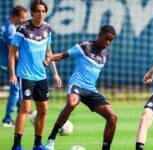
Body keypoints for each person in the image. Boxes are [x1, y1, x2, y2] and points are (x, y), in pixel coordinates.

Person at [43, 24, 118, 150]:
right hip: (77, 85)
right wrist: (50, 58)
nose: (108, 42)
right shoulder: (85, 47)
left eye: (111, 40)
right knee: (71, 104)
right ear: (100, 35)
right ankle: (50, 140)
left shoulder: (105, 55)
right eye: (106, 38)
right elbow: (63, 55)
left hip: (91, 90)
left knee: (113, 118)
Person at [9, 0, 62, 150]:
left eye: (44, 11)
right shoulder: (22, 29)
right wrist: (13, 73)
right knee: (25, 108)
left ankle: (37, 144)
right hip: (25, 75)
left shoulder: (47, 28)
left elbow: (49, 52)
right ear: (32, 12)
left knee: (43, 109)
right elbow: (12, 53)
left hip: (41, 76)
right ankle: (16, 145)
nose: (41, 14)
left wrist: (56, 74)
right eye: (38, 11)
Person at [0, 5, 27, 127]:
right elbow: (12, 51)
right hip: (7, 63)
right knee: (15, 89)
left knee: (18, 88)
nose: (23, 20)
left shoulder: (5, 26)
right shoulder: (11, 29)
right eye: (22, 18)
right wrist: (24, 61)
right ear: (15, 17)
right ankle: (7, 119)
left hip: (3, 61)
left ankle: (24, 110)